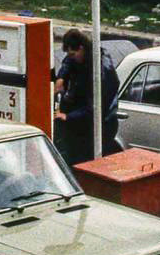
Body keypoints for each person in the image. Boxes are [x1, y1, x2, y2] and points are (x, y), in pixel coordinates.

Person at [52, 29, 121, 166]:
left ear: (81, 48)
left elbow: (95, 107)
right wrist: (61, 78)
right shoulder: (79, 57)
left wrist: (68, 117)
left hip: (101, 125)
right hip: (82, 118)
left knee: (86, 162)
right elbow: (68, 62)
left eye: (73, 53)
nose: (71, 57)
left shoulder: (99, 73)